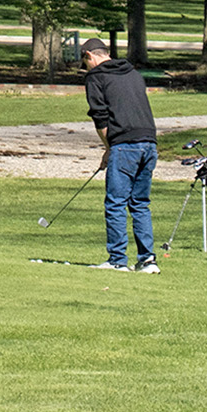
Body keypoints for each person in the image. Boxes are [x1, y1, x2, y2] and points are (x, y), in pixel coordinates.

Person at [81, 38, 159, 274]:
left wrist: (108, 148)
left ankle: (117, 260)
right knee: (140, 204)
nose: (85, 68)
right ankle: (147, 260)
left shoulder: (96, 78)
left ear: (89, 56)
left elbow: (101, 118)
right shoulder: (133, 73)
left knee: (115, 203)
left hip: (124, 145)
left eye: (84, 62)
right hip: (149, 143)